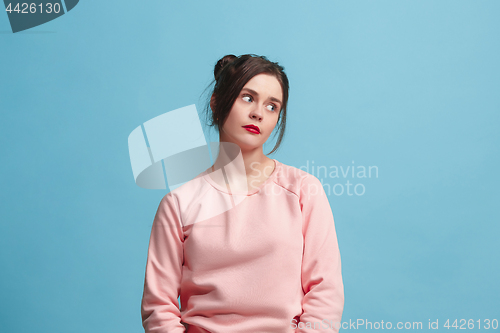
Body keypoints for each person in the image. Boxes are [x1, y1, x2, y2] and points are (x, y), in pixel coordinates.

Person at [141, 54, 344, 333]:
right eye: (247, 98)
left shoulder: (303, 191)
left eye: (272, 106)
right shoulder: (179, 204)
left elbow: (325, 293)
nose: (258, 113)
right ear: (216, 102)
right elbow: (158, 308)